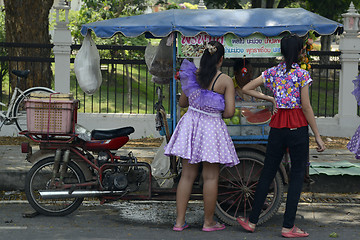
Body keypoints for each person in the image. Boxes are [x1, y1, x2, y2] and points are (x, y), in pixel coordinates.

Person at [237, 34, 326, 238]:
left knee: (268, 172)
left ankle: (252, 222)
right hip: (297, 128)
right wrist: (318, 136)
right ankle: (288, 227)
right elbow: (306, 106)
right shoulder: (302, 74)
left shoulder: (273, 72)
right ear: (301, 51)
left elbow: (246, 88)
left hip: (277, 126)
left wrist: (271, 98)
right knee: (296, 176)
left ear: (282, 51)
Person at [164, 41, 239, 232]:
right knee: (210, 176)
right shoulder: (225, 81)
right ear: (220, 59)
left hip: (191, 124)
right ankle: (208, 222)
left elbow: (182, 102)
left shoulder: (192, 75)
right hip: (211, 128)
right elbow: (230, 112)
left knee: (187, 175)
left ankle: (179, 222)